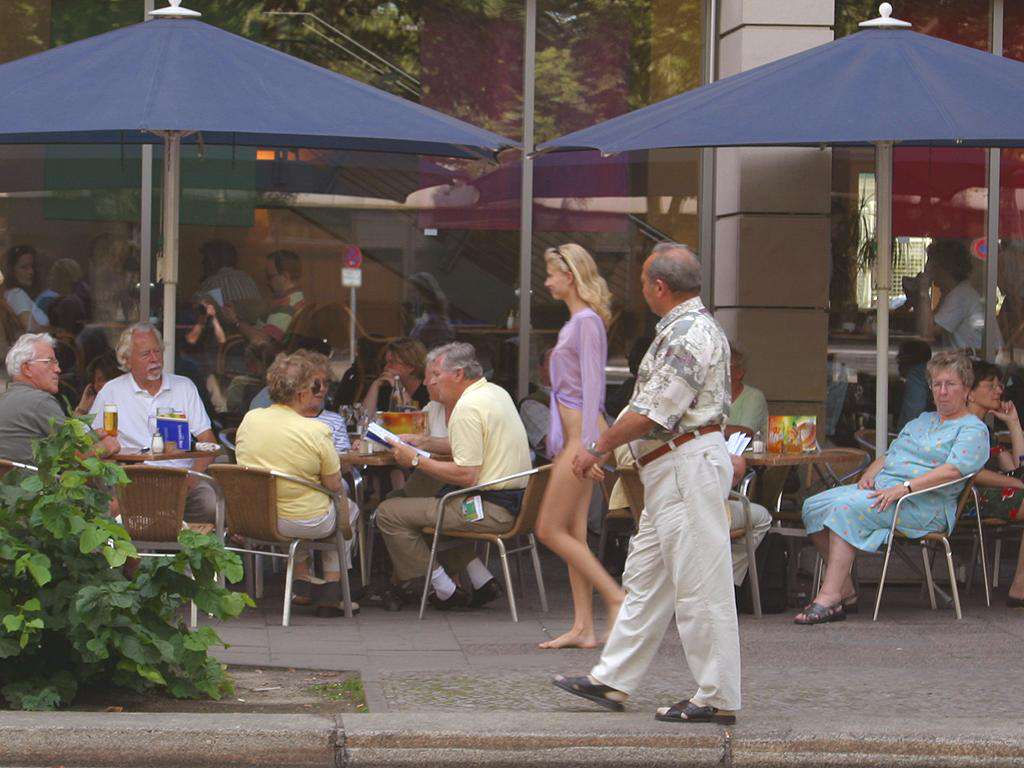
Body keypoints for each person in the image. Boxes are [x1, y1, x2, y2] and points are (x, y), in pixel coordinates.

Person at [556, 243, 740, 725]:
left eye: (642, 282)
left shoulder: (687, 333)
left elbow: (654, 412)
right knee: (646, 579)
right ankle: (612, 679)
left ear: (660, 287)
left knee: (699, 586)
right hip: (675, 468)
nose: (639, 290)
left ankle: (717, 696)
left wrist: (597, 448)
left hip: (684, 466)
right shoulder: (690, 328)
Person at [796, 350, 989, 625]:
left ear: (967, 389)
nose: (943, 391)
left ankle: (828, 597)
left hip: (922, 504)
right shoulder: (922, 421)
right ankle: (845, 589)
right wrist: (868, 475)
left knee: (844, 509)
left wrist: (904, 488)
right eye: (937, 384)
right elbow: (889, 456)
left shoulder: (973, 429)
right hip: (885, 493)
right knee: (812, 505)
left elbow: (953, 471)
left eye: (950, 384)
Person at [376, 342, 532, 610]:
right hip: (512, 502)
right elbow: (472, 444)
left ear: (458, 374)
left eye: (436, 374)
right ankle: (480, 580)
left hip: (487, 509)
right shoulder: (494, 393)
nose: (428, 381)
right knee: (417, 506)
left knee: (389, 512)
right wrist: (425, 442)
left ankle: (444, 589)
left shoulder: (467, 407)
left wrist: (414, 459)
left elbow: (466, 475)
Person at [533, 243, 623, 650]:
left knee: (548, 529)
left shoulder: (586, 323)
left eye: (552, 273)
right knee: (573, 533)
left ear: (569, 276)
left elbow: (594, 388)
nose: (547, 281)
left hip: (581, 439)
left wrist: (591, 447)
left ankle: (616, 597)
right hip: (576, 439)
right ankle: (583, 626)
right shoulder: (579, 322)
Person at [235, 351, 359, 617]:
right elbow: (334, 484)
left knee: (291, 504)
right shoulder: (316, 430)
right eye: (314, 387)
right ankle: (331, 589)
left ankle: (301, 583)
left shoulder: (250, 420)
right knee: (345, 508)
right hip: (304, 520)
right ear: (302, 393)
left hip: (260, 518)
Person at [89, 323, 219, 523]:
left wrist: (190, 480)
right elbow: (91, 441)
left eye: (157, 351)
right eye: (145, 354)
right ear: (126, 360)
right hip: (131, 480)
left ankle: (181, 539)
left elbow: (208, 440)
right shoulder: (111, 391)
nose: (154, 359)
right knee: (111, 511)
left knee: (211, 505)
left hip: (180, 478)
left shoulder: (183, 387)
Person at [0, 333, 118, 464]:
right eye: (49, 362)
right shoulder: (39, 401)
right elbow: (73, 456)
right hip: (34, 476)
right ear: (27, 368)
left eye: (56, 363)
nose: (58, 369)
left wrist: (93, 433)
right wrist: (106, 446)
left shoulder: (4, 399)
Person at [962, 360, 1024, 607]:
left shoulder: (985, 429)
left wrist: (1013, 424)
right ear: (969, 392)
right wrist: (1018, 484)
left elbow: (1018, 468)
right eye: (990, 385)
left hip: (991, 495)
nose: (999, 390)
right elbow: (968, 472)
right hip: (968, 498)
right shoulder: (964, 426)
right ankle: (1020, 586)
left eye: (999, 385)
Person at [912, 239, 1002, 352]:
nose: (927, 269)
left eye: (931, 265)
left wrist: (923, 291)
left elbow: (927, 332)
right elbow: (927, 323)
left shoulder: (960, 295)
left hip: (981, 360)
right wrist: (916, 296)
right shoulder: (954, 293)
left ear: (944, 268)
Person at [223, 250, 305, 345]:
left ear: (285, 277)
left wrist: (235, 321)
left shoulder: (287, 307)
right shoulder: (297, 298)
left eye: (270, 277)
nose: (267, 282)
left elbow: (262, 340)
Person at [194, 240, 263, 322]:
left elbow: (198, 312)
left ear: (212, 261)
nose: (202, 262)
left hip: (229, 328)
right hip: (253, 328)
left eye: (205, 259)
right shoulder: (247, 278)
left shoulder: (213, 282)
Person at [360, 338, 430, 414]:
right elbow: (365, 417)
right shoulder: (386, 388)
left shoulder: (428, 390)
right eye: (386, 362)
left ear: (410, 366)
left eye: (392, 362)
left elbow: (416, 418)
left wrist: (398, 388)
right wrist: (375, 385)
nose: (386, 367)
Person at [519, 347, 553, 461]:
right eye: (554, 362)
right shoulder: (531, 405)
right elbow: (556, 445)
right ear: (541, 369)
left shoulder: (580, 399)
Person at [3, 245, 48, 331]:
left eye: (32, 267)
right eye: (24, 267)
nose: (31, 272)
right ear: (11, 271)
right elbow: (30, 328)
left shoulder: (12, 293)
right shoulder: (16, 293)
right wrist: (57, 331)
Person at [407, 272, 454, 350]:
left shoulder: (436, 322)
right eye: (410, 292)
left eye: (414, 291)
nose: (411, 296)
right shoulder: (425, 316)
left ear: (426, 294)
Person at [727, 344, 768, 436]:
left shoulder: (754, 397)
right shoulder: (708, 396)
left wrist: (704, 431)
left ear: (740, 373)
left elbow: (746, 432)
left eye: (725, 365)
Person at [896, 340, 932, 430]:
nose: (897, 359)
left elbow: (914, 410)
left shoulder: (916, 376)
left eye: (900, 355)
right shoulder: (926, 373)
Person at [74, 352, 121, 417]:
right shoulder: (94, 407)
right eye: (95, 381)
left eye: (101, 380)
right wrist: (82, 409)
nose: (96, 386)